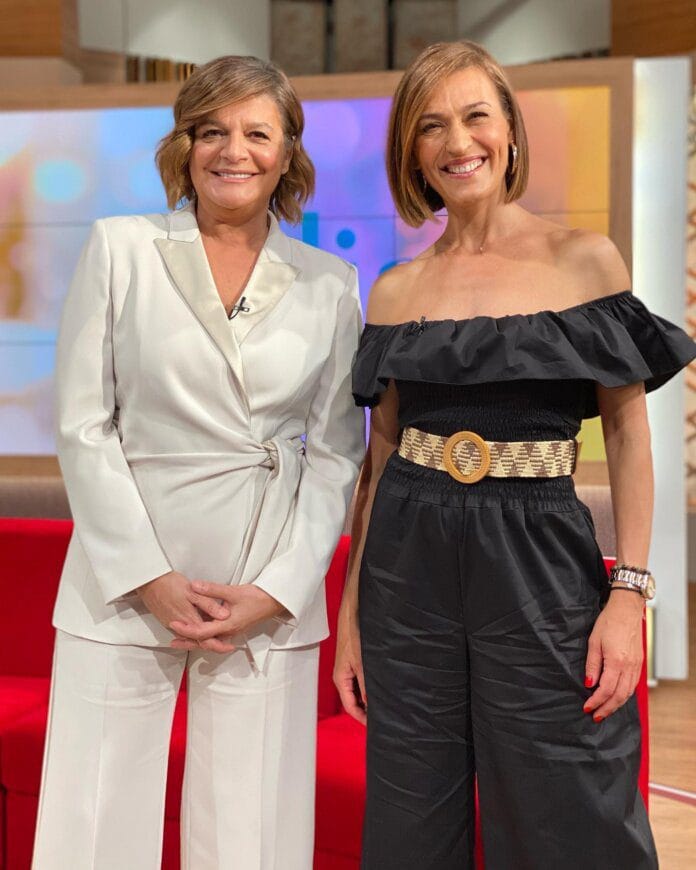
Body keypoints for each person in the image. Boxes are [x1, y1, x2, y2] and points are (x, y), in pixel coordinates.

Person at [334, 40, 695, 869]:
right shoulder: (394, 289)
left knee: (573, 805)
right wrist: (352, 613)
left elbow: (629, 436)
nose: (458, 142)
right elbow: (379, 459)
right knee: (411, 821)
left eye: (475, 117)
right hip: (407, 575)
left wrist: (630, 595)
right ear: (411, 152)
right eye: (432, 126)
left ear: (509, 131)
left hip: (541, 563)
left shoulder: (584, 261)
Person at [33, 55, 364, 870]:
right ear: (185, 145)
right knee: (95, 824)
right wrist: (148, 576)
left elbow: (337, 455)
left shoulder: (331, 283)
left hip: (263, 585)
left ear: (287, 153)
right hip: (125, 579)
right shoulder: (121, 248)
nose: (233, 151)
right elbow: (83, 424)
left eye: (257, 133)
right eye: (211, 130)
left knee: (252, 834)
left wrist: (279, 589)